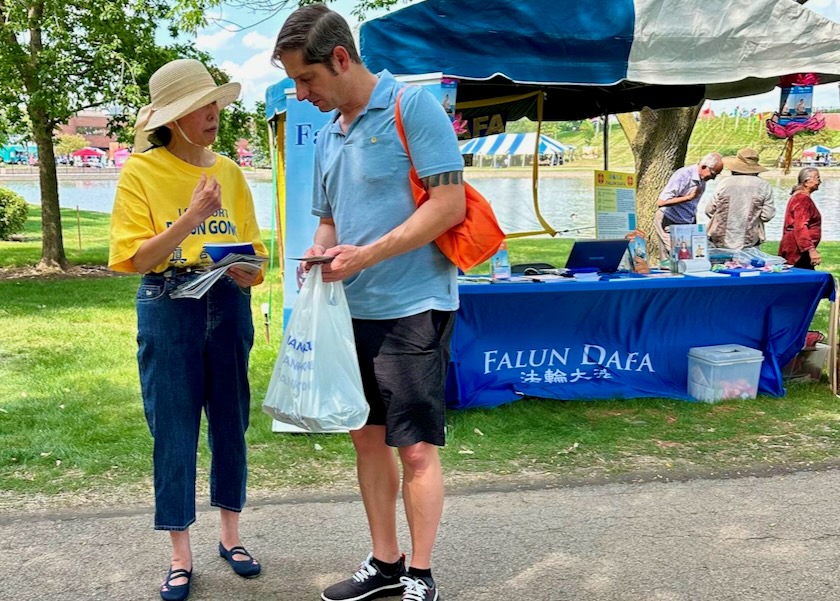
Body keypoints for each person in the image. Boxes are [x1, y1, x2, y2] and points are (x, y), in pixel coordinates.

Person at [272, 5, 466, 601]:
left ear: (339, 58)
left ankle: (422, 575)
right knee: (364, 437)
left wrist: (367, 255)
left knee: (413, 448)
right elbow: (330, 222)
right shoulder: (330, 134)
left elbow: (448, 206)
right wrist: (321, 255)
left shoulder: (412, 108)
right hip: (351, 310)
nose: (301, 95)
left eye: (306, 79)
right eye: (293, 83)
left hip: (413, 304)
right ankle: (385, 563)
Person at [108, 59, 267, 601]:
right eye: (200, 106)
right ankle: (180, 553)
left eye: (214, 102)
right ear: (172, 118)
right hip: (168, 303)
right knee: (173, 428)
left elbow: (256, 257)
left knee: (231, 419)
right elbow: (134, 258)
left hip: (227, 300)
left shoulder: (231, 172)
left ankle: (231, 536)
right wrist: (191, 218)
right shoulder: (141, 172)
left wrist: (250, 272)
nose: (213, 113)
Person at [654, 152, 723, 260]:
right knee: (675, 257)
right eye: (713, 174)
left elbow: (692, 205)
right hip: (669, 220)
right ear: (704, 167)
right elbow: (661, 202)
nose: (713, 179)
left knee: (690, 257)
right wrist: (688, 197)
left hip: (686, 222)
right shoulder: (683, 175)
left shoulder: (702, 179)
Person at [705, 148, 775, 250]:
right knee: (748, 265)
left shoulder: (724, 183)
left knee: (719, 265)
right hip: (749, 241)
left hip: (720, 239)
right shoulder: (764, 185)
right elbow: (767, 216)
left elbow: (709, 210)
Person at [778, 167, 822, 269]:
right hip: (797, 252)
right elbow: (800, 226)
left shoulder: (799, 197)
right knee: (801, 280)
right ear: (806, 182)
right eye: (817, 178)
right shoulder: (802, 199)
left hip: (798, 249)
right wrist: (811, 249)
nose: (820, 182)